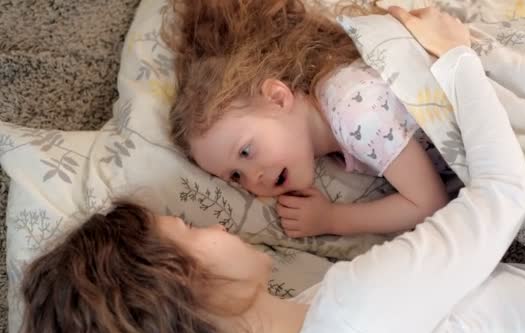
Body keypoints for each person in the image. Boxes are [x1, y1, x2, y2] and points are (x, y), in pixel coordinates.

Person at [21, 7, 525, 333]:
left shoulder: (317, 310)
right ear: (184, 287)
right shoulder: (355, 306)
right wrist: (458, 58)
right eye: (189, 231)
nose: (222, 223)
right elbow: (504, 193)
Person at [164, 0, 450, 238]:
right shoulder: (331, 111)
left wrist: (332, 219)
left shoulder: (357, 115)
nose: (254, 178)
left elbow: (430, 203)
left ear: (277, 97)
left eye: (246, 151)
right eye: (235, 176)